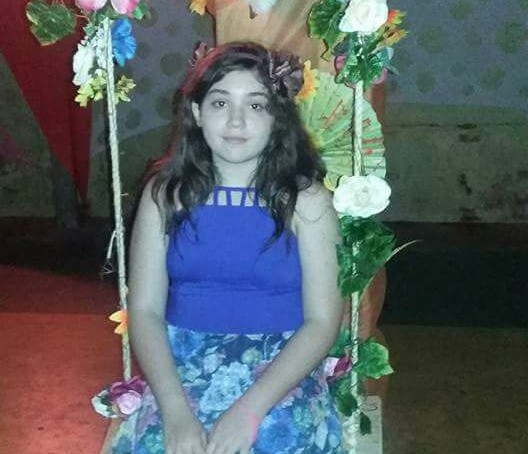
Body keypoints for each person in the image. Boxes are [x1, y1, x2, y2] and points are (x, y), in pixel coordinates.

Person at [110, 42, 344, 454]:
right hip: (180, 372)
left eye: (255, 105)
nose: (236, 120)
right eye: (220, 103)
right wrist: (176, 413)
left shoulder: (307, 203)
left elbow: (323, 321)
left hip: (280, 373)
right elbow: (144, 311)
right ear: (197, 112)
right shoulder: (164, 196)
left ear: (277, 118)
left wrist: (248, 412)